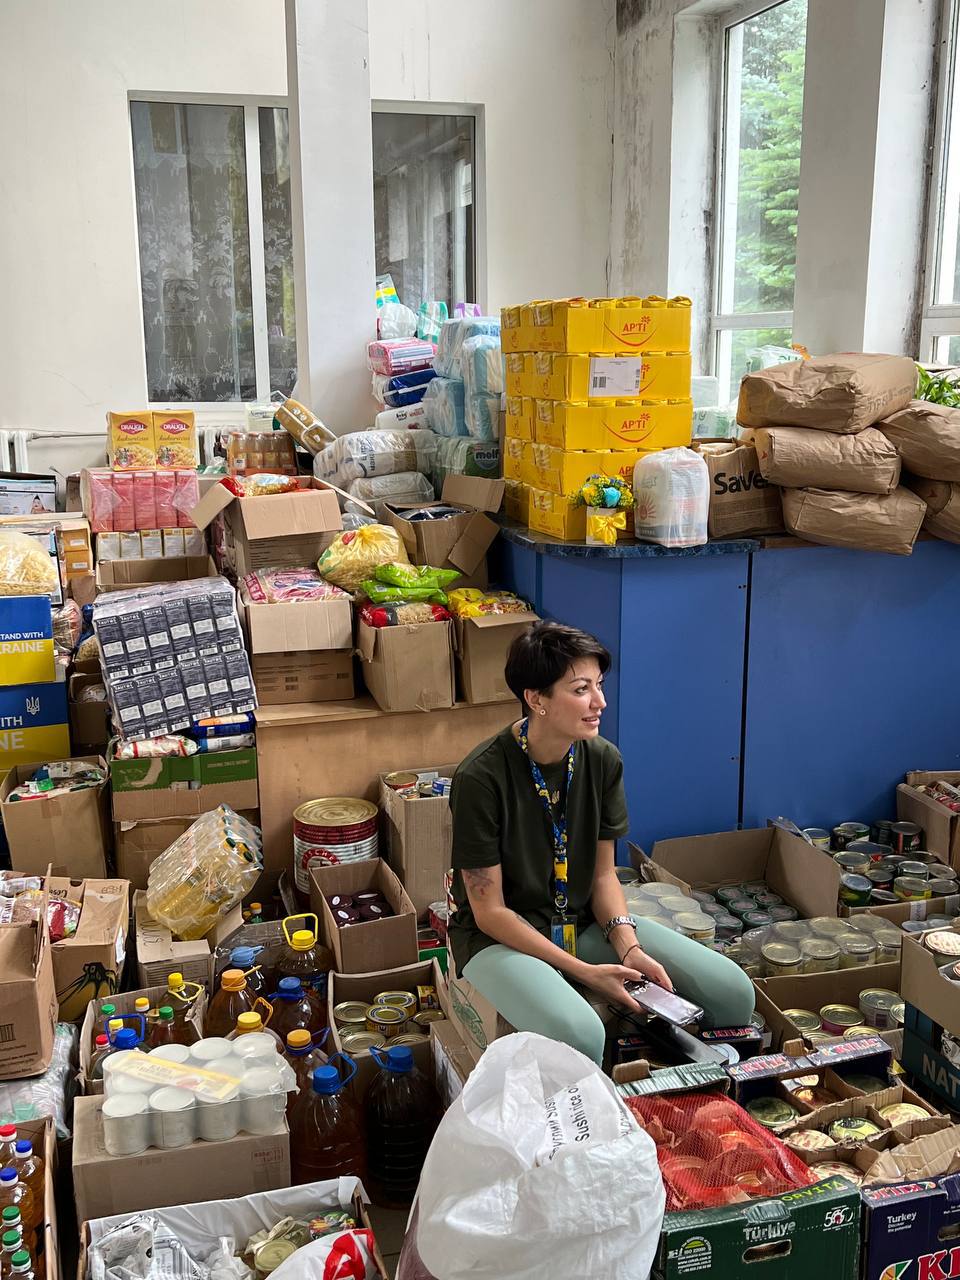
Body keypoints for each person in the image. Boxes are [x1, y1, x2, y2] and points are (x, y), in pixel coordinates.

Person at [448, 620, 755, 1065]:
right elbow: (489, 911)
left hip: (579, 921)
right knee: (580, 1036)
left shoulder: (602, 759)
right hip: (497, 938)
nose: (600, 702)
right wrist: (586, 972)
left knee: (732, 993)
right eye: (581, 689)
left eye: (599, 685)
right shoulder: (481, 777)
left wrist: (629, 948)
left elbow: (603, 876)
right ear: (536, 699)